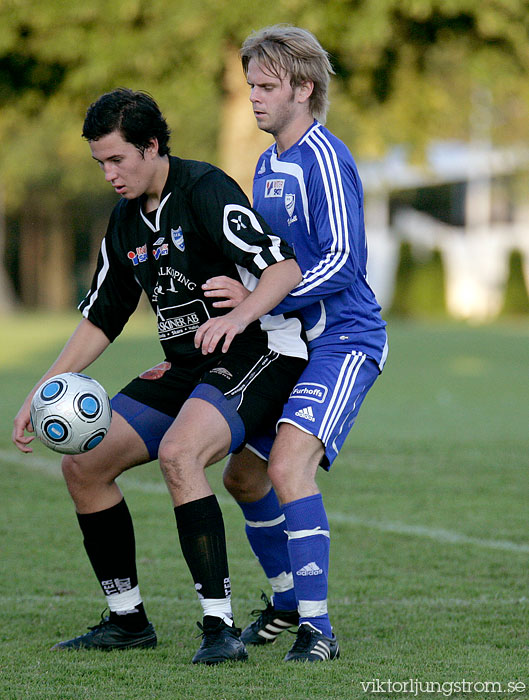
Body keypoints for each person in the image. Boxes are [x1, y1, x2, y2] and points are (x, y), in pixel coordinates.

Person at [12, 88, 309, 665]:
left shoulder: (204, 190)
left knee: (180, 453)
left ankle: (218, 629)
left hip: (259, 351)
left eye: (118, 159)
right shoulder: (125, 223)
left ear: (152, 147)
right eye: (100, 163)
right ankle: (127, 620)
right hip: (188, 366)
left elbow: (284, 267)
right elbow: (102, 317)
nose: (109, 174)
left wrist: (241, 315)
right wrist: (39, 390)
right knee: (84, 464)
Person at [202, 25, 388, 662]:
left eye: (267, 86)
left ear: (305, 89)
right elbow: (273, 261)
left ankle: (319, 630)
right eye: (250, 84)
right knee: (245, 476)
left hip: (344, 340)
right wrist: (242, 286)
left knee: (285, 468)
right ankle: (285, 600)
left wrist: (259, 300)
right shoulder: (264, 162)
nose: (254, 97)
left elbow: (343, 262)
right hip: (290, 342)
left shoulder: (326, 159)